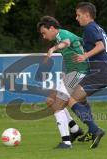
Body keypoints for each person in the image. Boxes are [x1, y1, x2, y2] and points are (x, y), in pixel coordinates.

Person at [67, 2, 107, 149]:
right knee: (81, 98)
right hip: (106, 70)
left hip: (100, 71)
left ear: (86, 15)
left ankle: (95, 130)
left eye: (78, 15)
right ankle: (91, 131)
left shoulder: (90, 28)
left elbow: (101, 46)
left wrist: (85, 56)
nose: (76, 18)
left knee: (71, 99)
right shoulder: (99, 29)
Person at [37, 16, 88, 149]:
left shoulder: (62, 34)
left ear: (52, 28)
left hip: (77, 73)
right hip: (71, 74)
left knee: (58, 105)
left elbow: (66, 42)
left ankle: (66, 142)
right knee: (50, 101)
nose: (43, 36)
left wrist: (53, 49)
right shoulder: (61, 35)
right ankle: (75, 129)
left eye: (44, 32)